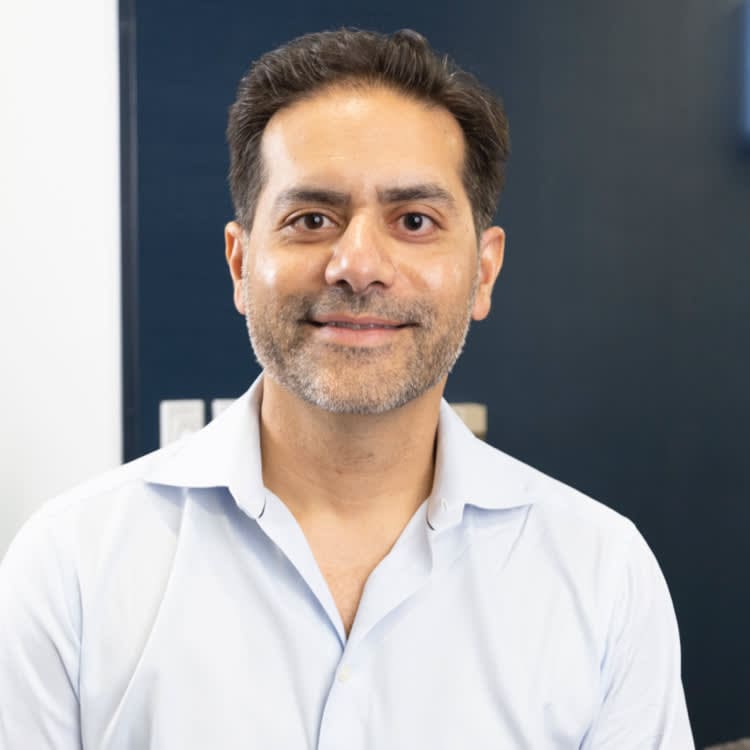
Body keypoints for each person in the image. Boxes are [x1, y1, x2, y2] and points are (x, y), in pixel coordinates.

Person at [0, 28, 693, 749]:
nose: (357, 265)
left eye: (415, 221)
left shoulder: (603, 576)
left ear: (483, 271)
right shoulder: (71, 568)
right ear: (240, 264)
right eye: (311, 219)